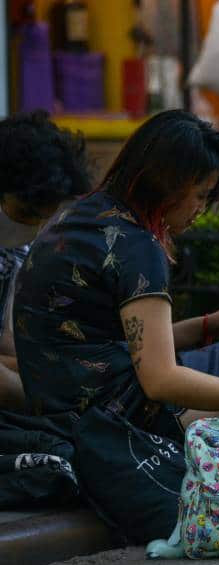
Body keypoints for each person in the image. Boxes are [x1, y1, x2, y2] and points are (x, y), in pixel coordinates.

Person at [13, 110, 219, 439]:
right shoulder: (138, 247)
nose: (201, 210)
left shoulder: (80, 215)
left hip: (62, 406)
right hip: (116, 420)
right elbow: (161, 381)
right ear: (168, 183)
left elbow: (115, 345)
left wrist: (205, 326)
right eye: (201, 195)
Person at [0, 111, 90, 412]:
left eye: (44, 218)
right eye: (26, 213)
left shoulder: (15, 251)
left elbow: (5, 340)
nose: (33, 229)